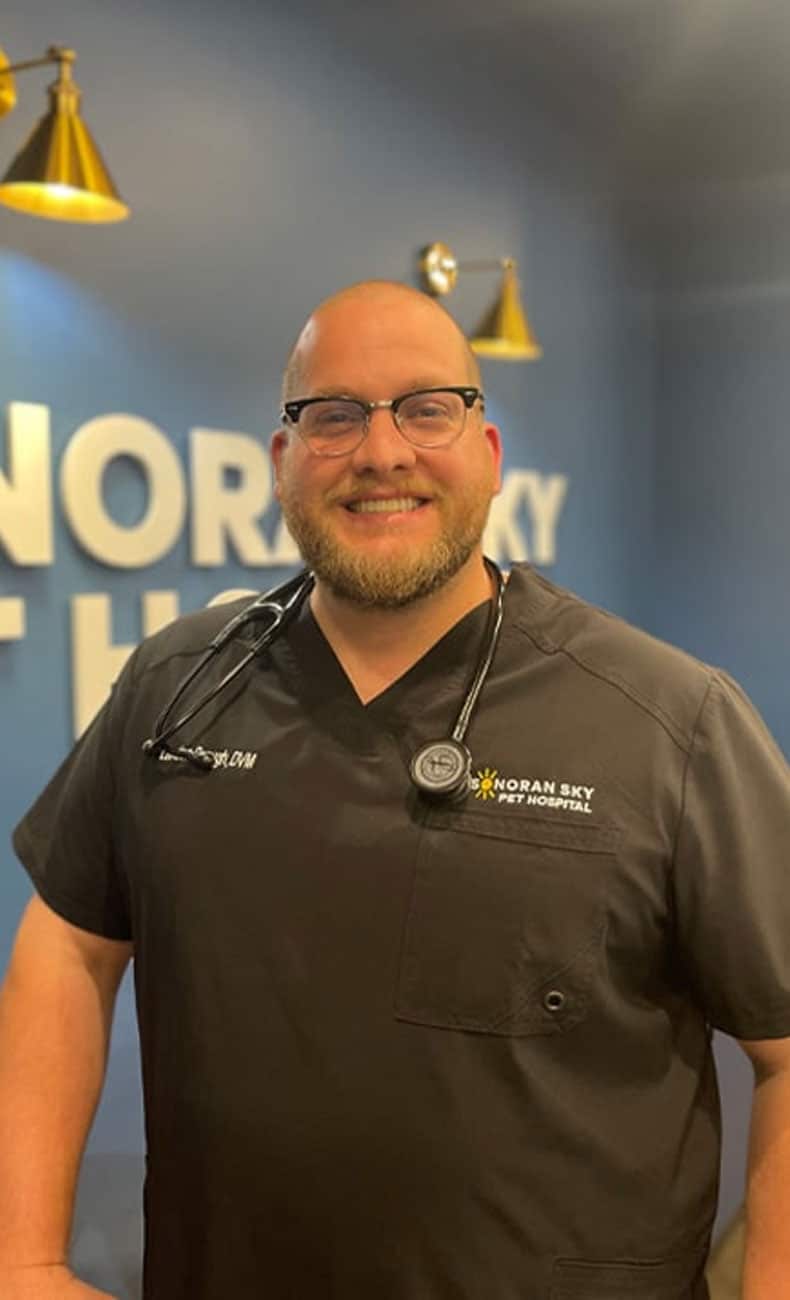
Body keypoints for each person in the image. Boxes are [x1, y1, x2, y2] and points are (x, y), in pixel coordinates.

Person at [1, 280, 789, 1300]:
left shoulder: (668, 721)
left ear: (489, 455)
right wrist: (24, 1259)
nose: (380, 452)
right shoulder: (176, 686)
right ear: (283, 465)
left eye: (426, 407)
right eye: (332, 415)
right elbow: (66, 937)